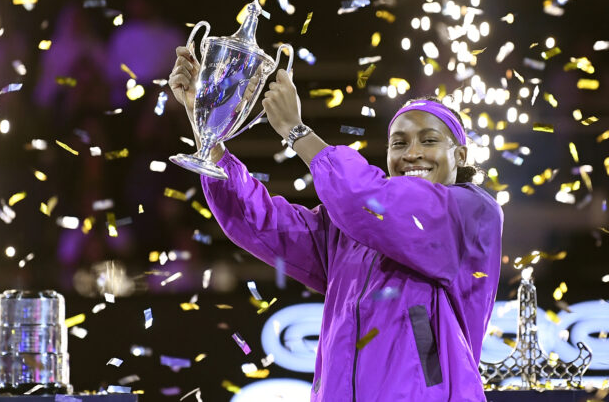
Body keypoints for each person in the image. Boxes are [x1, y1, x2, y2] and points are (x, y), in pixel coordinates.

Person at [168, 46, 503, 401]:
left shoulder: (471, 212)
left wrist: (297, 132)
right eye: (399, 143)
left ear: (461, 155)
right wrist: (209, 130)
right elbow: (261, 223)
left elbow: (376, 205)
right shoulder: (349, 227)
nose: (412, 153)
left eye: (429, 140)